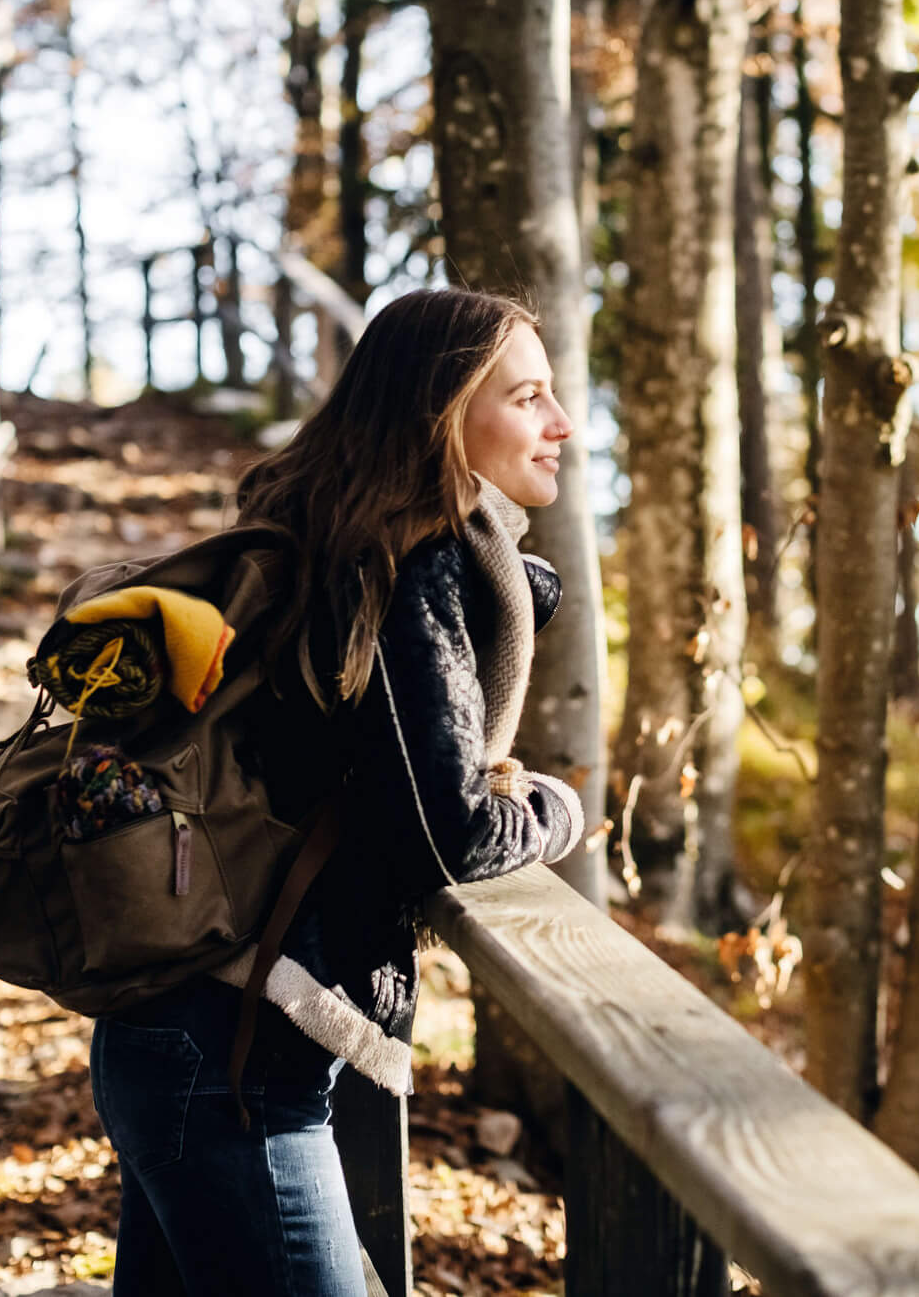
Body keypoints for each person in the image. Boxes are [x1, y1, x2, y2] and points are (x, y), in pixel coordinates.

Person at [85, 287, 588, 1295]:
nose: (561, 423)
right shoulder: (407, 563)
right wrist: (559, 810)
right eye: (528, 396)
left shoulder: (343, 543)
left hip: (185, 1038)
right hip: (232, 1065)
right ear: (446, 412)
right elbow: (452, 836)